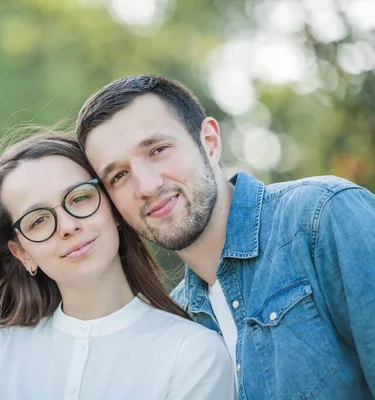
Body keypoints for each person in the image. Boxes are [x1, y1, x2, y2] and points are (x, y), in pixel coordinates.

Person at [75, 75, 375, 400]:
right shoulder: (176, 322)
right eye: (119, 176)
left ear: (210, 142)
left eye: (158, 149)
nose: (146, 186)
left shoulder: (324, 216)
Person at [0, 132, 234, 400]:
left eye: (79, 198)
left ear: (113, 208)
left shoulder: (194, 353)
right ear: (23, 253)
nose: (67, 226)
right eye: (38, 220)